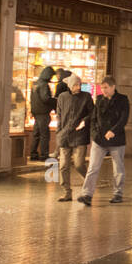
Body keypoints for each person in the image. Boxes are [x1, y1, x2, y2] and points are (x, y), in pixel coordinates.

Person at [79, 74, 129, 205]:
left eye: (106, 87)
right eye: (102, 88)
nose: (104, 90)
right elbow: (94, 118)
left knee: (118, 168)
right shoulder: (99, 99)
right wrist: (94, 134)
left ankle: (118, 194)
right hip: (99, 140)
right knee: (92, 168)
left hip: (116, 140)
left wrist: (113, 131)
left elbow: (123, 119)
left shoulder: (123, 100)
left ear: (113, 87)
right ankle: (87, 194)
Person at [55, 75, 93, 203]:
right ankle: (67, 192)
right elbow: (59, 115)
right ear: (70, 86)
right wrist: (58, 132)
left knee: (79, 164)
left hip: (80, 136)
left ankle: (88, 185)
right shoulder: (62, 97)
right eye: (76, 85)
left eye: (79, 85)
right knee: (63, 166)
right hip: (65, 135)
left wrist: (84, 121)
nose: (78, 87)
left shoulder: (86, 97)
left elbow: (92, 113)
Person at [29, 65, 56, 161]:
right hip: (43, 112)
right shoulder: (44, 85)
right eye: (51, 76)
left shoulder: (35, 83)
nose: (51, 78)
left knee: (36, 134)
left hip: (36, 112)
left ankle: (33, 154)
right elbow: (45, 98)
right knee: (44, 134)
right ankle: (44, 155)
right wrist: (54, 101)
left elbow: (32, 98)